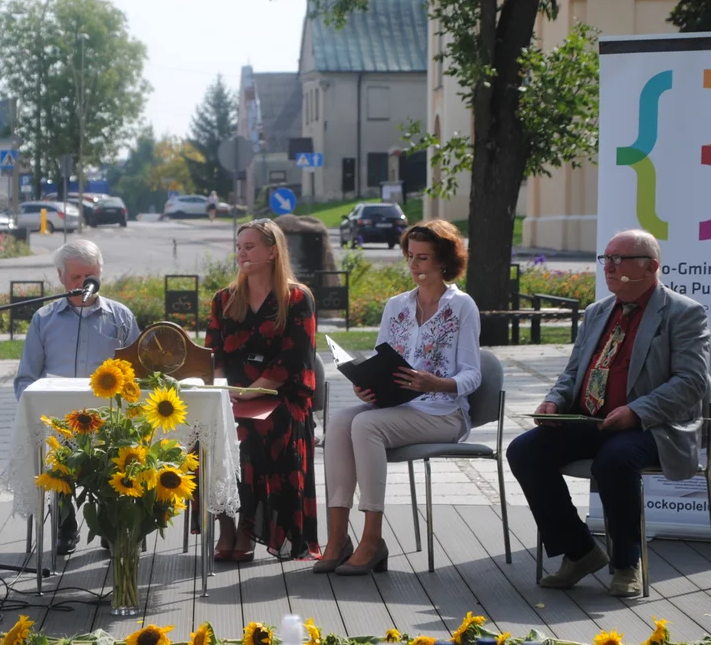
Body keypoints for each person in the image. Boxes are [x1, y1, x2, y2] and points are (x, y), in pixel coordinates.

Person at [507, 229, 710, 597]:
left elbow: (691, 383)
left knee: (614, 462)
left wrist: (636, 410)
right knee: (524, 451)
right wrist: (554, 401)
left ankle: (626, 563)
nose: (610, 267)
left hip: (652, 425)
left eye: (620, 259)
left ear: (651, 267)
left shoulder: (683, 313)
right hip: (591, 420)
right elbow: (572, 374)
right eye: (606, 259)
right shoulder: (598, 311)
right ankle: (580, 551)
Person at [317, 219, 481, 576]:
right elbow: (381, 362)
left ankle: (373, 540)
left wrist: (434, 383)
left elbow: (473, 374)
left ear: (444, 262)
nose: (414, 266)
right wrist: (366, 386)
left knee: (365, 425)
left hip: (444, 413)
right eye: (410, 257)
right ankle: (337, 538)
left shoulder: (462, 307)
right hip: (397, 406)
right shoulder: (397, 306)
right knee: (340, 421)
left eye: (423, 258)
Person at [14, 239, 140, 554]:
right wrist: (35, 411)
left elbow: (137, 372)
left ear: (101, 273)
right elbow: (26, 378)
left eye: (91, 276)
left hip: (109, 421)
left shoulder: (120, 317)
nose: (85, 284)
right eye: (76, 278)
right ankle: (64, 524)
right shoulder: (44, 319)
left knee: (121, 452)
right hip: (58, 421)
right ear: (60, 278)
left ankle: (112, 525)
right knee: (58, 451)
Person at [204, 218, 319, 561]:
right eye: (239, 247)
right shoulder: (224, 298)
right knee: (211, 431)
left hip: (280, 396)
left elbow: (294, 358)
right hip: (231, 395)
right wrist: (227, 391)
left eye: (250, 247)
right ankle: (225, 524)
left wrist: (254, 391)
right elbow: (213, 355)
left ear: (272, 252)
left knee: (255, 429)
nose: (242, 254)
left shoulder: (297, 298)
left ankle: (246, 528)